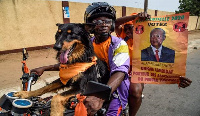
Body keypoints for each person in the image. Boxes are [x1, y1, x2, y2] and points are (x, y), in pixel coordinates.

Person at [115, 13, 192, 116]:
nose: (128, 31)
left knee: (135, 91)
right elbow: (114, 23)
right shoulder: (122, 36)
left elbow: (163, 64)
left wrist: (177, 78)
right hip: (120, 69)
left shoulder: (147, 42)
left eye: (131, 28)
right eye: (126, 29)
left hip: (138, 72)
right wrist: (134, 17)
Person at [83, 2, 130, 115]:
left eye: (107, 21)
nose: (104, 24)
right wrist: (45, 68)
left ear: (112, 25)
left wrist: (100, 97)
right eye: (98, 21)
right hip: (91, 86)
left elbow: (120, 72)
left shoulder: (119, 44)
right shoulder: (87, 44)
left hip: (114, 91)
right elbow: (75, 63)